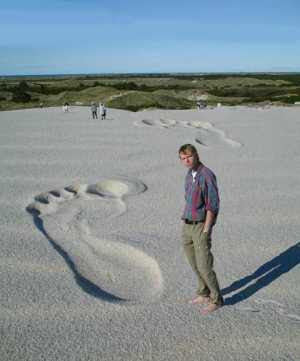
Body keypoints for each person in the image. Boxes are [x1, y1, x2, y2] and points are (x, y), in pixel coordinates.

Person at [179, 144, 224, 314]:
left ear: (196, 155)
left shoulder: (207, 175)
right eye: (183, 158)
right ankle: (204, 292)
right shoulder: (189, 174)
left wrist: (207, 229)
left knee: (205, 265)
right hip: (187, 225)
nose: (186, 160)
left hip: (200, 226)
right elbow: (188, 199)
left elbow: (213, 204)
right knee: (194, 263)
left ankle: (216, 299)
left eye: (189, 156)